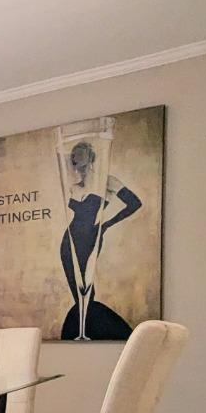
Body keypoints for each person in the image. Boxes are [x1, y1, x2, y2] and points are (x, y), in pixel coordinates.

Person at [58, 140, 141, 340]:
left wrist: (107, 224)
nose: (75, 159)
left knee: (86, 288)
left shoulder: (107, 181)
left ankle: (88, 332)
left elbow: (134, 203)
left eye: (80, 154)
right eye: (73, 156)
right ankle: (81, 332)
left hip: (90, 238)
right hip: (69, 239)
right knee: (76, 289)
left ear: (90, 157)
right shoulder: (75, 187)